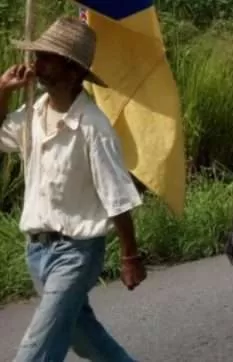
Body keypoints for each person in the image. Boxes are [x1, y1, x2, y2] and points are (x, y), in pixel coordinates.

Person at [0, 17, 145, 361]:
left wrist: (130, 256)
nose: (37, 64)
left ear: (73, 72)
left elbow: (117, 197)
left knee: (37, 348)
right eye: (38, 56)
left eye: (48, 58)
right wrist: (2, 91)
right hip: (38, 251)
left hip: (77, 252)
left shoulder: (94, 127)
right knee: (84, 337)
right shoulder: (32, 113)